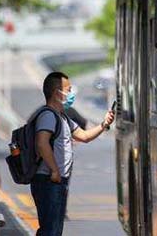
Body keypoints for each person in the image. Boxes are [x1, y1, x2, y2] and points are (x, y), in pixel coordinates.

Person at [31, 72, 114, 236]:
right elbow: (42, 142)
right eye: (68, 90)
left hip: (57, 181)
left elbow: (84, 136)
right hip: (48, 180)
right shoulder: (48, 116)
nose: (71, 94)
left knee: (54, 230)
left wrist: (104, 124)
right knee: (50, 231)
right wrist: (54, 170)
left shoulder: (62, 118)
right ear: (57, 93)